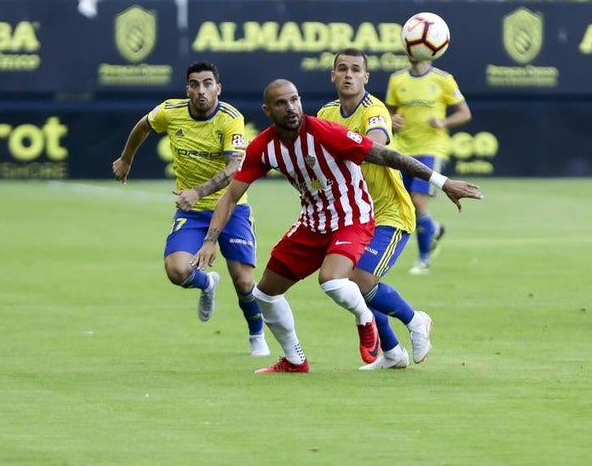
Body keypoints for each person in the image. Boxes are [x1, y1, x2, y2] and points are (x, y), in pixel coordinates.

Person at [193, 79, 482, 373]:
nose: (290, 107)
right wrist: (210, 239)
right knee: (264, 294)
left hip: (352, 218)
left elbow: (388, 155)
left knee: (333, 280)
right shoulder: (264, 147)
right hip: (312, 224)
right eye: (281, 103)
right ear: (268, 110)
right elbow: (230, 196)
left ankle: (366, 319)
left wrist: (443, 182)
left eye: (294, 100)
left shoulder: (325, 132)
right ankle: (295, 359)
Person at [112, 63, 269, 356]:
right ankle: (207, 283)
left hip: (231, 207)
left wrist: (198, 192)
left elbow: (235, 168)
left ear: (217, 88)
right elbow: (143, 126)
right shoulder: (170, 112)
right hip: (193, 211)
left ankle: (256, 333)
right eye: (195, 84)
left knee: (244, 281)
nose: (201, 90)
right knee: (176, 270)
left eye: (207, 84)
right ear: (187, 89)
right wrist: (126, 159)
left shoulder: (230, 118)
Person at [318, 49, 436, 369]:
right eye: (342, 68)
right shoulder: (326, 113)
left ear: (366, 77)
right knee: (344, 282)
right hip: (355, 217)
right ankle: (393, 352)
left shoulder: (375, 109)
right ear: (333, 75)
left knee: (360, 278)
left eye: (356, 69)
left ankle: (415, 319)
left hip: (390, 214)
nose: (348, 74)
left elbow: (376, 142)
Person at [385, 53, 472, 275]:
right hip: (402, 150)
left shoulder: (443, 79)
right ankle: (433, 229)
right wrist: (392, 120)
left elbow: (464, 113)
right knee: (409, 206)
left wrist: (444, 121)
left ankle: (423, 260)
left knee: (418, 201)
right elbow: (389, 113)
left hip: (431, 149)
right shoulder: (397, 80)